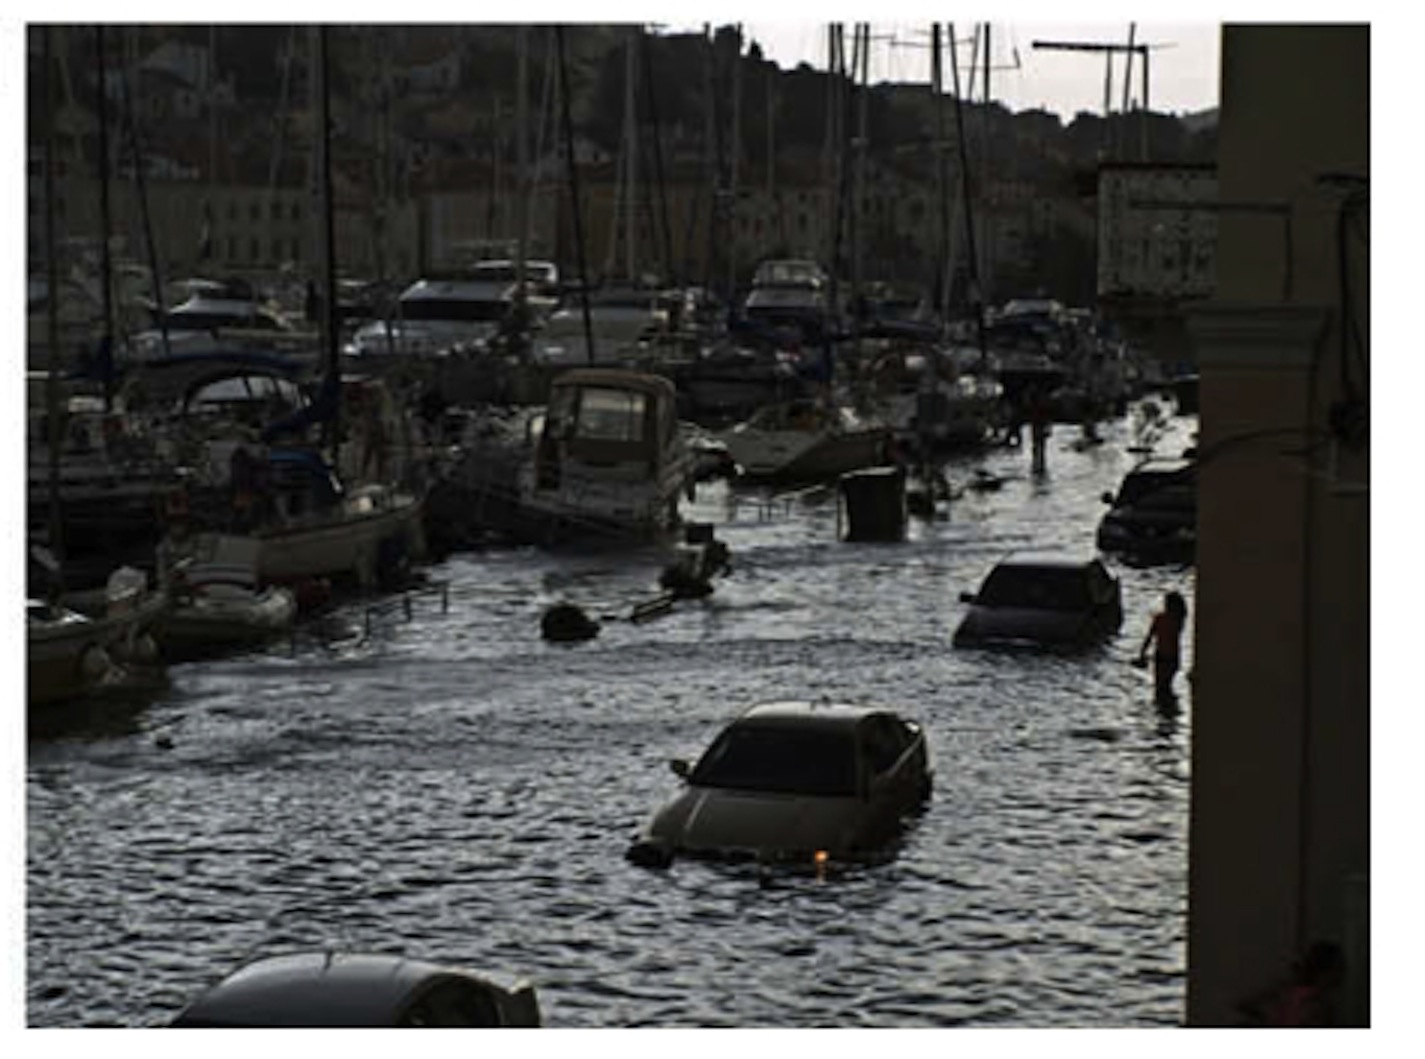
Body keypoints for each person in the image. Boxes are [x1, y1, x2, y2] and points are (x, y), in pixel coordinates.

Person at [1136, 591, 1188, 704]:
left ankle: (1162, 710)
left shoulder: (1161, 619)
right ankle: (1168, 708)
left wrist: (1142, 653)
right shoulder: (1178, 620)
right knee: (1165, 687)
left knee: (1159, 688)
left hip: (1162, 656)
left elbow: (1149, 637)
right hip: (1171, 657)